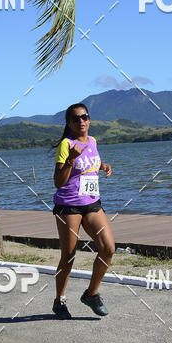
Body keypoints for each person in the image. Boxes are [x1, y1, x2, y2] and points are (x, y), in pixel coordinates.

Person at [51, 102, 114, 319]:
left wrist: (102, 165)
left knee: (108, 248)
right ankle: (59, 301)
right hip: (68, 205)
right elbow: (58, 181)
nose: (81, 121)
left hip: (91, 202)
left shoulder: (93, 141)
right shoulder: (66, 145)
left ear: (89, 119)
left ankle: (91, 294)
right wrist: (70, 159)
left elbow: (88, 164)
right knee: (68, 256)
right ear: (69, 123)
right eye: (76, 118)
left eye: (85, 117)